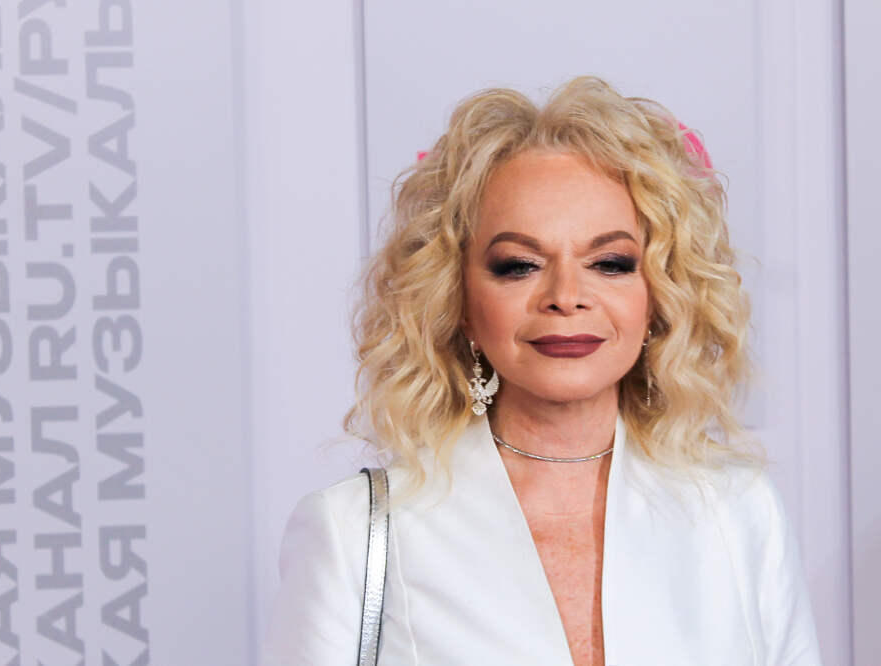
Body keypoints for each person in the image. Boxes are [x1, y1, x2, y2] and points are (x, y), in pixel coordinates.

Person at [259, 75, 823, 665]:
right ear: (457, 298)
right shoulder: (354, 532)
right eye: (519, 265)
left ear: (659, 294)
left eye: (610, 262)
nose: (566, 296)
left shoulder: (740, 511)